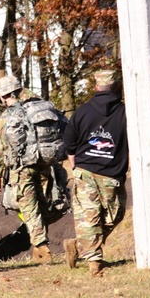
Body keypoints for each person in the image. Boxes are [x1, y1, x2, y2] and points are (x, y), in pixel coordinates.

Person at [61, 69, 129, 277]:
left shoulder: (82, 112)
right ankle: (94, 264)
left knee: (104, 217)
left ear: (96, 87)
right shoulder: (126, 112)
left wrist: (74, 166)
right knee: (98, 217)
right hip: (99, 174)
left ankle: (80, 245)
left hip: (99, 174)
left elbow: (69, 146)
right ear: (117, 87)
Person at [0, 74, 67, 263]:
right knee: (43, 204)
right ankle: (38, 248)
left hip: (23, 167)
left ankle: (42, 249)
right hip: (48, 162)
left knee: (29, 207)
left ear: (2, 96)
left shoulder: (8, 115)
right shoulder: (44, 106)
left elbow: (0, 147)